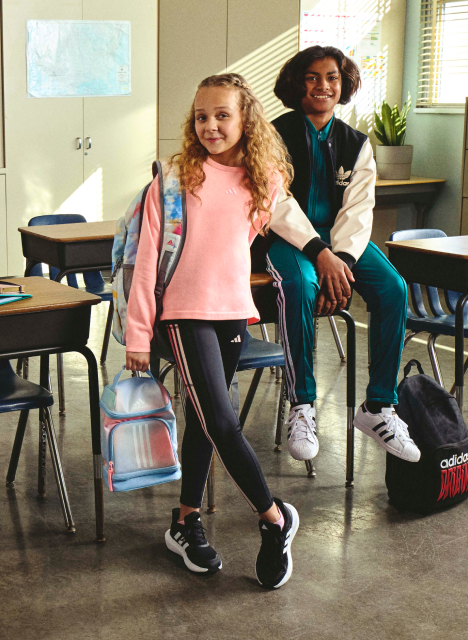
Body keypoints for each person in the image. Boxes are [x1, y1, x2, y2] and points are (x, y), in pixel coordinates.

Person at [125, 74, 298, 589]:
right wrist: (138, 334)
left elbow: (240, 245)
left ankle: (183, 521)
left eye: (222, 115)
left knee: (204, 420)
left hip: (232, 313)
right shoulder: (174, 180)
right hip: (182, 313)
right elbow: (146, 261)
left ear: (246, 118)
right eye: (202, 116)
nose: (210, 125)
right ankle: (274, 519)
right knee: (223, 421)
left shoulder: (265, 180)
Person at [267, 45, 420, 464]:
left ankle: (378, 407)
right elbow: (276, 203)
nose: (323, 85)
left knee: (392, 287)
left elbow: (358, 210)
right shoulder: (272, 136)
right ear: (297, 84)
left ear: (343, 84)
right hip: (290, 238)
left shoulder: (357, 144)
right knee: (299, 283)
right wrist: (320, 253)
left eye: (332, 77)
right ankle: (302, 405)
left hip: (341, 242)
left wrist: (344, 264)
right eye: (313, 77)